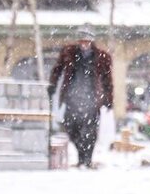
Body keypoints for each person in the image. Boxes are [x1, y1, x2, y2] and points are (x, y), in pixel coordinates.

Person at [48, 25, 113, 168]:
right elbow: (57, 70)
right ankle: (81, 154)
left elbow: (107, 80)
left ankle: (86, 160)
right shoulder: (69, 53)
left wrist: (108, 99)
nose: (84, 44)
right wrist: (52, 85)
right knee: (71, 127)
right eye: (82, 41)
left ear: (91, 42)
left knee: (89, 132)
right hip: (72, 97)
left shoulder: (102, 57)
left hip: (92, 99)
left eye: (87, 41)